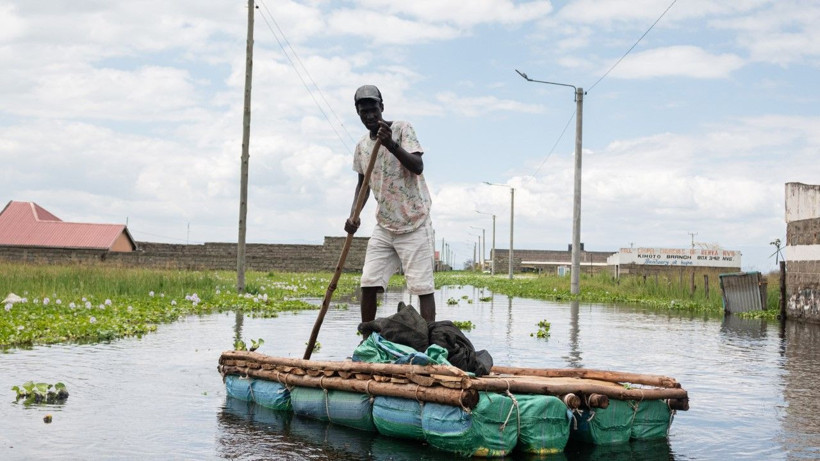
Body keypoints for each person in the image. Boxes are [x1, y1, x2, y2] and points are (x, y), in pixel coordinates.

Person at [344, 84, 436, 323]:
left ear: (382, 107)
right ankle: (366, 341)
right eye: (364, 112)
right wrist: (354, 215)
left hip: (414, 222)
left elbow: (417, 166)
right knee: (368, 283)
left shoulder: (402, 129)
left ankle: (432, 345)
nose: (370, 116)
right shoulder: (362, 146)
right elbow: (362, 185)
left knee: (422, 287)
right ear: (358, 114)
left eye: (373, 109)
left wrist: (391, 145)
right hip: (384, 225)